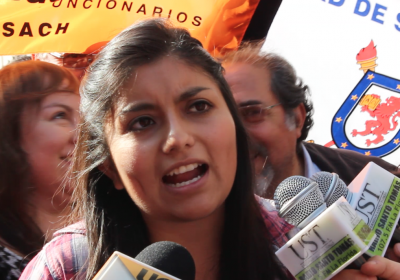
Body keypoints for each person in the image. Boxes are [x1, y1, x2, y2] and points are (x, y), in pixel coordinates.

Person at [20, 19, 291, 280]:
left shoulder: (298, 239)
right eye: (142, 122)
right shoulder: (65, 268)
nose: (178, 138)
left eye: (199, 106)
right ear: (109, 165)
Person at [222, 42, 400, 264]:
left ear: (296, 118)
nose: (236, 134)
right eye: (223, 119)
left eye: (251, 113)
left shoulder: (381, 178)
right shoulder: (204, 220)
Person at [0, 61, 80, 280]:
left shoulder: (120, 221)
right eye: (60, 115)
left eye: (85, 117)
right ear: (10, 135)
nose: (83, 134)